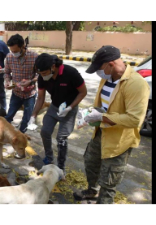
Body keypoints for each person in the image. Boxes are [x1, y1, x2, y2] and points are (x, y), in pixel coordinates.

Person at [73, 45, 150, 204]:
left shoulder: (136, 84)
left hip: (119, 140)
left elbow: (135, 119)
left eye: (99, 68)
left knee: (109, 178)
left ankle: (104, 202)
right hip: (100, 132)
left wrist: (102, 117)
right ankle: (91, 191)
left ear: (111, 64)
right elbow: (104, 105)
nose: (97, 73)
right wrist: (88, 114)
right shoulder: (106, 78)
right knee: (91, 163)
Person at [28, 53, 87, 172]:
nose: (43, 76)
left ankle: (61, 167)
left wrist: (70, 108)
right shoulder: (42, 77)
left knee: (61, 138)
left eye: (44, 73)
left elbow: (83, 92)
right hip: (54, 107)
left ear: (53, 66)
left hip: (69, 109)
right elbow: (40, 98)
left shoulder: (71, 73)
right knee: (45, 132)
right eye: (40, 74)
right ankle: (49, 159)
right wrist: (33, 116)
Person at [4, 34, 38, 134]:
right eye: (11, 51)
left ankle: (21, 136)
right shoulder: (9, 57)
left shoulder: (34, 57)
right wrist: (7, 81)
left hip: (30, 94)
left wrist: (31, 81)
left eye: (15, 51)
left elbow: (40, 74)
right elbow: (6, 72)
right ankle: (4, 134)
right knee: (9, 115)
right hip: (16, 93)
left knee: (26, 118)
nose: (13, 53)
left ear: (22, 46)